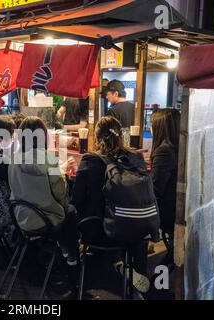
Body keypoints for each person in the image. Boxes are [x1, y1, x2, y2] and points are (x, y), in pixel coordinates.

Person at [71, 116, 150, 294]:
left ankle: (76, 271)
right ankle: (137, 273)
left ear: (97, 138)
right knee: (137, 227)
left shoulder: (90, 160)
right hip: (133, 229)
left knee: (71, 216)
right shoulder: (136, 158)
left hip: (98, 232)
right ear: (122, 136)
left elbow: (77, 200)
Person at [7, 116, 79, 265]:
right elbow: (60, 193)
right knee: (71, 210)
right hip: (45, 219)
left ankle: (63, 249)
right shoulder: (49, 158)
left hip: (20, 216)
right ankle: (71, 256)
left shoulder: (13, 159)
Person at [150, 109, 180, 266]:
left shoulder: (164, 151)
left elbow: (155, 189)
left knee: (129, 214)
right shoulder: (179, 147)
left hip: (166, 211)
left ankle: (135, 269)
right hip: (176, 205)